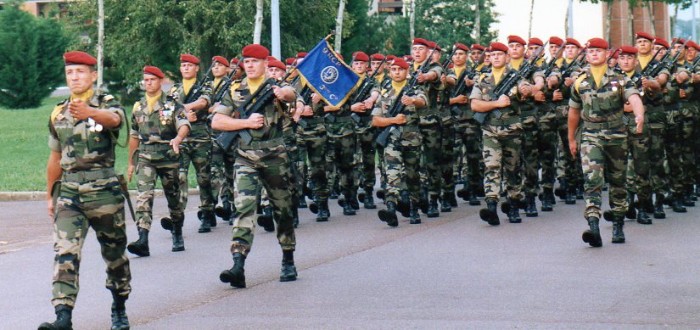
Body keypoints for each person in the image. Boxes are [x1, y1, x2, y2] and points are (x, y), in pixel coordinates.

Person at [40, 50, 130, 330]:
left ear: (93, 75)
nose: (74, 77)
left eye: (80, 72)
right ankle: (63, 316)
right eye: (70, 72)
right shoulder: (58, 111)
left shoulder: (107, 103)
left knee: (114, 254)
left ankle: (119, 304)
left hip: (104, 192)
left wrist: (90, 112)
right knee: (65, 252)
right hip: (70, 192)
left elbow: (115, 121)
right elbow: (55, 157)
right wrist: (49, 194)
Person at [213, 44, 298, 287]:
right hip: (245, 157)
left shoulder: (276, 88)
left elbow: (292, 95)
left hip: (275, 157)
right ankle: (238, 263)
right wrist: (245, 123)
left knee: (282, 210)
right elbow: (217, 121)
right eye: (246, 62)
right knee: (244, 208)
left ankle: (288, 257)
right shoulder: (235, 91)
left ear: (265, 64)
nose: (249, 66)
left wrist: (284, 93)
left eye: (254, 62)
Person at [568, 38, 645, 247]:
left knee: (618, 181)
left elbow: (635, 97)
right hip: (591, 135)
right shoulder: (580, 81)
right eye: (590, 51)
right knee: (592, 180)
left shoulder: (619, 79)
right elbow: (574, 111)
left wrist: (639, 115)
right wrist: (571, 138)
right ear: (586, 54)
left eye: (598, 51)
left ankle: (618, 223)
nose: (594, 54)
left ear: (607, 53)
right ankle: (593, 226)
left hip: (616, 135)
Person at [127, 65, 191, 255]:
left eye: (152, 80)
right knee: (143, 197)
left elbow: (184, 125)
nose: (148, 83)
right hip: (146, 157)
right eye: (145, 80)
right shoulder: (138, 106)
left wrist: (178, 139)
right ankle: (143, 239)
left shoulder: (172, 104)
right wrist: (131, 163)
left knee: (173, 197)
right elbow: (134, 135)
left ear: (161, 81)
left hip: (168, 156)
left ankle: (177, 231)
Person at [470, 41, 529, 225]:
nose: (495, 58)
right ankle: (491, 207)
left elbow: (525, 90)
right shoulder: (483, 79)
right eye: (492, 55)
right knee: (491, 167)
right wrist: (496, 104)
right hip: (490, 130)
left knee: (513, 169)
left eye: (499, 54)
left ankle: (513, 205)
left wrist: (526, 90)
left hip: (512, 131)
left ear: (507, 57)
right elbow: (475, 105)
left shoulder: (516, 77)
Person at [373, 57, 426, 226]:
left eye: (400, 70)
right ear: (390, 72)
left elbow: (423, 102)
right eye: (394, 70)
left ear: (406, 71)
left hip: (412, 139)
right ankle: (391, 209)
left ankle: (414, 208)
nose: (397, 73)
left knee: (412, 175)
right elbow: (375, 120)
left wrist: (413, 101)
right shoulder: (384, 92)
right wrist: (393, 120)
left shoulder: (414, 89)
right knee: (392, 174)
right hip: (392, 139)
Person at [169, 54, 216, 234]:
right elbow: (168, 110)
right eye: (183, 66)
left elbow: (203, 102)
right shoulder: (174, 89)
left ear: (196, 68)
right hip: (181, 138)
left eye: (190, 65)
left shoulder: (205, 85)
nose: (186, 68)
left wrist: (184, 108)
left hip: (200, 137)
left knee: (204, 178)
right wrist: (182, 114)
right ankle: (177, 217)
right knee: (179, 177)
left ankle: (206, 212)